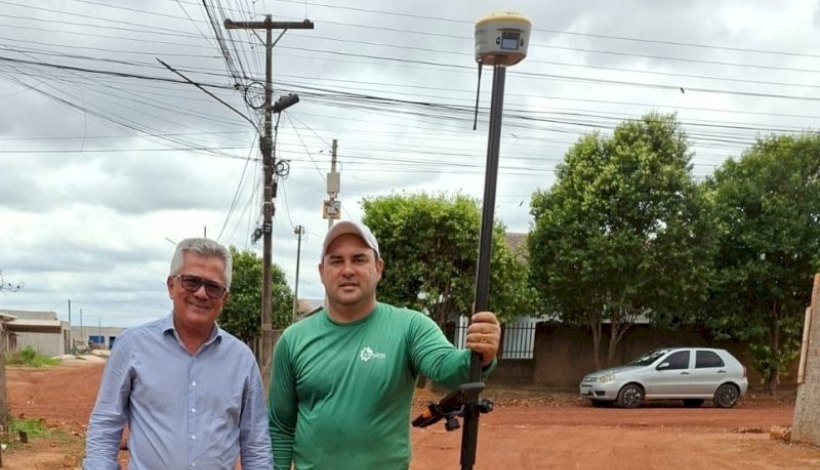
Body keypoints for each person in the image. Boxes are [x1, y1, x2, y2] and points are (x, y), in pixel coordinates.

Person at [269, 221, 501, 470]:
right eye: (336, 261)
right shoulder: (293, 340)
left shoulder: (410, 327)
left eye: (359, 259)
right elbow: (280, 426)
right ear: (322, 271)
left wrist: (480, 355)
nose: (347, 270)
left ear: (378, 268)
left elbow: (448, 368)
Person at [83, 238, 273, 470]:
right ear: (171, 285)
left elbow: (255, 443)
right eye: (191, 281)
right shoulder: (132, 346)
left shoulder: (241, 360)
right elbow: (106, 423)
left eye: (213, 287)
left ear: (224, 298)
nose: (201, 293)